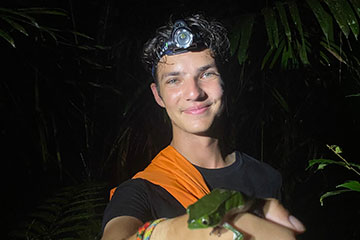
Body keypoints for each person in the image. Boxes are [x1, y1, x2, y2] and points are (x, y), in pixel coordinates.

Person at [101, 14, 305, 240]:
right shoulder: (140, 191)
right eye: (174, 80)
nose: (194, 93)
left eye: (207, 74)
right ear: (158, 95)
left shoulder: (267, 177)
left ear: (224, 82)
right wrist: (175, 231)